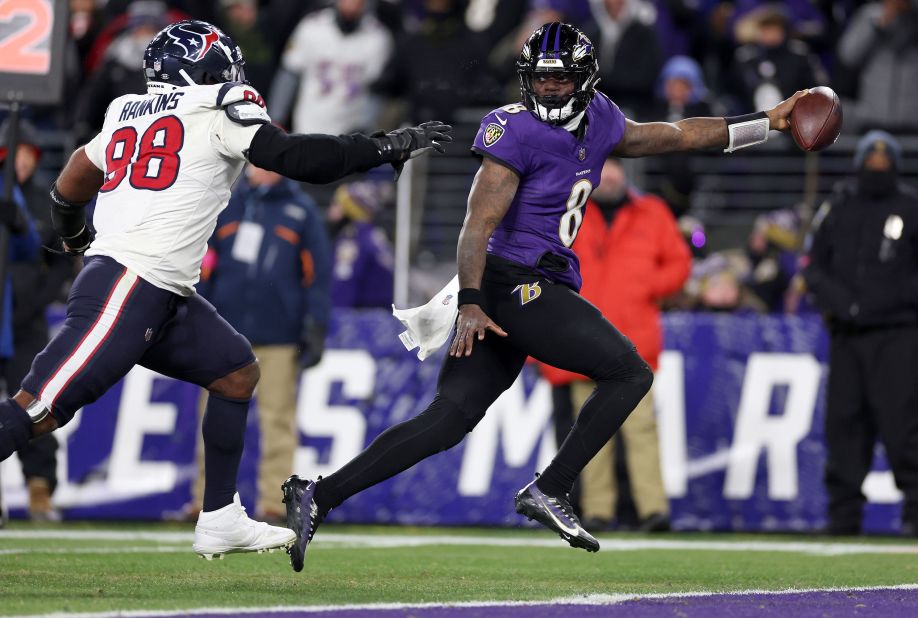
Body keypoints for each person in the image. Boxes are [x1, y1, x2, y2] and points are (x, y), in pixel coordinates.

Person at [281, 21, 807, 571]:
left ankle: (319, 494)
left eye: (561, 79)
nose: (551, 88)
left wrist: (765, 123)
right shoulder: (515, 131)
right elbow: (475, 227)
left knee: (448, 419)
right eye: (542, 78)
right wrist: (471, 301)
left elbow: (676, 135)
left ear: (585, 79)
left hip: (521, 285)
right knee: (629, 372)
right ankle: (551, 488)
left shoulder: (601, 118)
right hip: (510, 282)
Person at [0, 19, 451, 559]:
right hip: (129, 280)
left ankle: (218, 516)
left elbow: (77, 170)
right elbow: (295, 158)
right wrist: (382, 148)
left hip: (159, 289)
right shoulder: (218, 106)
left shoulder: (126, 109)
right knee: (39, 409)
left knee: (235, 371)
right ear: (201, 69)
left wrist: (72, 229)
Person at [539, 157, 691, 532]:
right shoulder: (569, 212)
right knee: (589, 433)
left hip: (632, 341)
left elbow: (680, 264)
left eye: (616, 167)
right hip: (582, 340)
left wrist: (646, 288)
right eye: (603, 168)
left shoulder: (651, 212)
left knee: (640, 430)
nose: (610, 175)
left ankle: (653, 510)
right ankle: (597, 512)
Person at [189, 163, 332, 523]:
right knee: (213, 422)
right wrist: (195, 314)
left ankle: (274, 502)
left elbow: (318, 273)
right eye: (255, 162)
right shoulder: (226, 206)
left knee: (278, 421)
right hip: (226, 333)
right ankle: (206, 501)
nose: (259, 169)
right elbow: (203, 262)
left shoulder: (300, 211)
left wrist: (315, 324)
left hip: (278, 336)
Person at [802, 130, 918, 537]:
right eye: (872, 158)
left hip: (898, 334)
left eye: (885, 160)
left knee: (903, 425)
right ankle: (843, 516)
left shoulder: (911, 206)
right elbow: (814, 266)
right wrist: (843, 304)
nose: (877, 165)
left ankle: (915, 515)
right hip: (848, 335)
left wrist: (887, 301)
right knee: (844, 424)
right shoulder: (838, 207)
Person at [0, 120, 74, 521]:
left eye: (30, 155)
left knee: (32, 403)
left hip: (26, 322)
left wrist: (39, 301)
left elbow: (63, 260)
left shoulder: (46, 201)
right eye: (18, 154)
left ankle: (39, 489)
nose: (22, 163)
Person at [268, 0, 394, 135]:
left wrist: (365, 126)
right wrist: (276, 118)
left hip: (351, 131)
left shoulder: (377, 36)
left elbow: (376, 90)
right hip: (308, 124)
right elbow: (290, 73)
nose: (352, 6)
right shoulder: (312, 26)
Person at [328, 181, 395, 309]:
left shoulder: (352, 240)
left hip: (359, 319)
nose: (331, 208)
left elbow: (343, 287)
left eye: (336, 203)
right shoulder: (377, 236)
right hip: (380, 318)